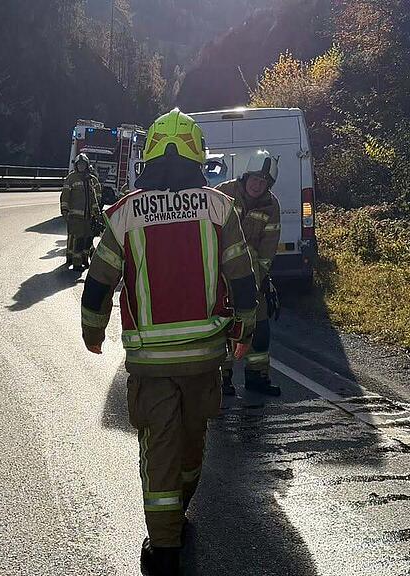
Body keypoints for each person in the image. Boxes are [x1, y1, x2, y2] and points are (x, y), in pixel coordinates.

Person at [80, 108, 257, 576]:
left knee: (159, 451)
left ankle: (164, 550)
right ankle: (177, 517)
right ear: (198, 153)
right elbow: (243, 278)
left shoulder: (124, 214)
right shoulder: (221, 209)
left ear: (151, 153)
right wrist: (243, 331)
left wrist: (92, 330)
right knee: (193, 444)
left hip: (150, 364)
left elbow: (99, 281)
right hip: (205, 358)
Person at [217, 150, 283, 396]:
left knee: (260, 328)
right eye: (255, 179)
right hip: (220, 275)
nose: (258, 185)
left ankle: (258, 378)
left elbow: (268, 246)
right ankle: (221, 380)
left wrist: (261, 277)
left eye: (264, 181)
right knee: (222, 327)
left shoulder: (271, 205)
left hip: (253, 277)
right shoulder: (223, 194)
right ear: (245, 176)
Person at [60, 153, 103, 270]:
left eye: (83, 164)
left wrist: (97, 213)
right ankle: (77, 263)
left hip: (87, 217)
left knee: (87, 239)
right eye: (79, 164)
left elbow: (93, 198)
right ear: (76, 165)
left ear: (87, 165)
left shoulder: (89, 179)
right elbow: (65, 195)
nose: (81, 166)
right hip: (75, 216)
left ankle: (84, 259)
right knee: (78, 239)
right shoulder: (71, 178)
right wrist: (64, 210)